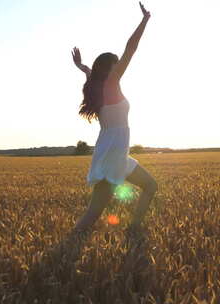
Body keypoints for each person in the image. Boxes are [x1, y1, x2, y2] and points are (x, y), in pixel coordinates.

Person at [71, 2, 157, 235]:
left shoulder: (99, 87)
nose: (120, 64)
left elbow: (91, 74)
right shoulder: (111, 83)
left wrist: (82, 67)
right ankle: (66, 249)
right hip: (112, 156)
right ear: (110, 68)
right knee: (92, 214)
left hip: (117, 154)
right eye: (116, 63)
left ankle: (134, 228)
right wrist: (144, 20)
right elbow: (131, 49)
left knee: (150, 185)